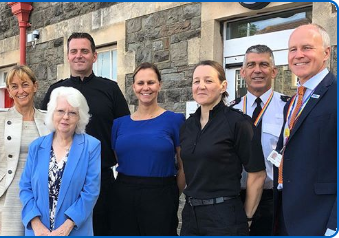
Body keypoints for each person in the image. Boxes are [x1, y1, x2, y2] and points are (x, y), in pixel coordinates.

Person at [40, 32, 130, 235]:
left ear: (94, 56)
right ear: (68, 56)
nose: (78, 55)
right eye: (73, 51)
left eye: (84, 51)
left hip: (101, 180)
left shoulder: (111, 89)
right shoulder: (56, 91)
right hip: (60, 181)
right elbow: (44, 133)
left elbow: (123, 133)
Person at [179, 60, 266, 236]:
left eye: (208, 81)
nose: (201, 86)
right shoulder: (187, 126)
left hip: (224, 217)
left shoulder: (238, 123)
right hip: (191, 215)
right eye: (196, 81)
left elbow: (257, 174)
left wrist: (247, 217)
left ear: (223, 86)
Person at [273, 24, 337, 236]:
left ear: (326, 52)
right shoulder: (293, 100)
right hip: (286, 215)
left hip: (321, 218)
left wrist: (335, 225)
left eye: (307, 47)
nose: (298, 55)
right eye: (293, 49)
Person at [109, 62, 185, 235]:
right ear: (133, 87)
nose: (146, 88)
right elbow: (120, 158)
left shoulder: (174, 120)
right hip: (123, 193)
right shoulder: (119, 124)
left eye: (151, 82)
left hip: (161, 194)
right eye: (140, 83)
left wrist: (172, 195)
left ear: (159, 84)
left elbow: (183, 166)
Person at [19, 86, 101, 236]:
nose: (66, 117)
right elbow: (25, 188)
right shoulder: (36, 146)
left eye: (72, 113)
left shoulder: (92, 146)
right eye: (61, 111)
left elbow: (91, 192)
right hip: (38, 232)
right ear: (52, 114)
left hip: (75, 231)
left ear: (80, 117)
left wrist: (67, 227)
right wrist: (36, 224)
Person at [0, 65, 49, 236]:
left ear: (35, 86)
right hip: (6, 197)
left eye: (25, 84)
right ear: (8, 90)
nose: (20, 91)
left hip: (39, 197)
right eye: (14, 86)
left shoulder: (49, 118)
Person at [230, 45, 289, 235]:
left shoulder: (288, 108)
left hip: (273, 198)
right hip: (235, 197)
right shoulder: (230, 110)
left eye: (263, 64)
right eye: (251, 64)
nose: (257, 70)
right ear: (243, 72)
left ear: (274, 72)